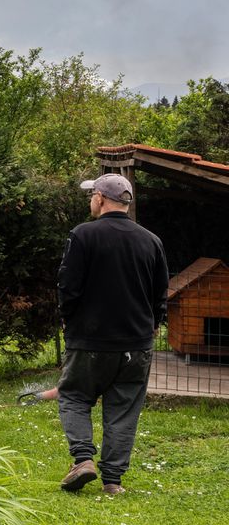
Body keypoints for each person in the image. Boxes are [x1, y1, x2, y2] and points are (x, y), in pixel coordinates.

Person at [55, 173, 168, 496]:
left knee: (74, 397)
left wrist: (68, 319)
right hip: (136, 343)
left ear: (101, 198)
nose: (91, 200)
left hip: (89, 341)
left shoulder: (83, 235)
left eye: (92, 195)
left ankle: (83, 459)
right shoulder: (151, 241)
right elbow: (160, 291)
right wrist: (154, 323)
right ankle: (113, 481)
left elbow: (68, 286)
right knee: (123, 409)